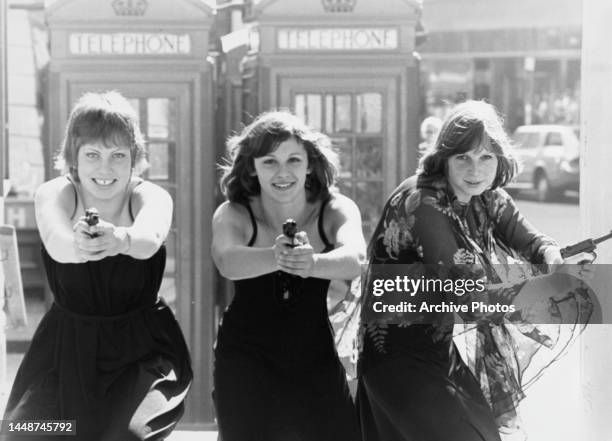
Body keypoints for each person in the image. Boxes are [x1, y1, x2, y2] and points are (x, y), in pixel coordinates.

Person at [357, 100, 593, 441]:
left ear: (500, 160)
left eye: (486, 157)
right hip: (394, 359)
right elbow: (468, 295)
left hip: (437, 352)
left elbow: (527, 238)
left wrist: (551, 255)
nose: (475, 169)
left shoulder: (486, 197)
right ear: (443, 159)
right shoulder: (423, 203)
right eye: (462, 157)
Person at [2, 91, 192, 441]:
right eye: (93, 154)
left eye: (118, 155)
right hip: (65, 350)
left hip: (142, 352)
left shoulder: (152, 195)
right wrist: (82, 245)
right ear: (73, 157)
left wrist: (119, 240)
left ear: (135, 158)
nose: (105, 168)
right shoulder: (55, 192)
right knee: (25, 432)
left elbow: (149, 237)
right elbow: (58, 245)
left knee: (129, 436)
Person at [212, 110, 366, 441]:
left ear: (310, 164)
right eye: (270, 162)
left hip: (316, 356)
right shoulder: (234, 211)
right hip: (245, 359)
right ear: (252, 167)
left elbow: (356, 257)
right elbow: (226, 260)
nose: (283, 172)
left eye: (293, 160)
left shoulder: (335, 207)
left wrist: (312, 265)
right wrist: (277, 256)